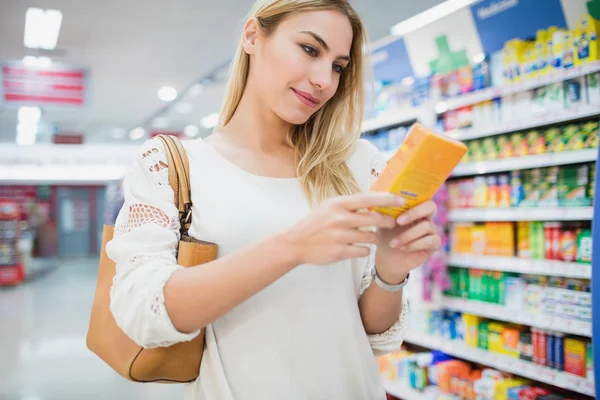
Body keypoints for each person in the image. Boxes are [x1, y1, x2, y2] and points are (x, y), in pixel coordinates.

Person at [106, 1, 441, 399]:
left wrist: (391, 270)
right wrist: (294, 246)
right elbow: (143, 312)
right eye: (310, 50)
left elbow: (373, 334)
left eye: (338, 66)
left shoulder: (359, 165)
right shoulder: (173, 165)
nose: (324, 80)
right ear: (252, 36)